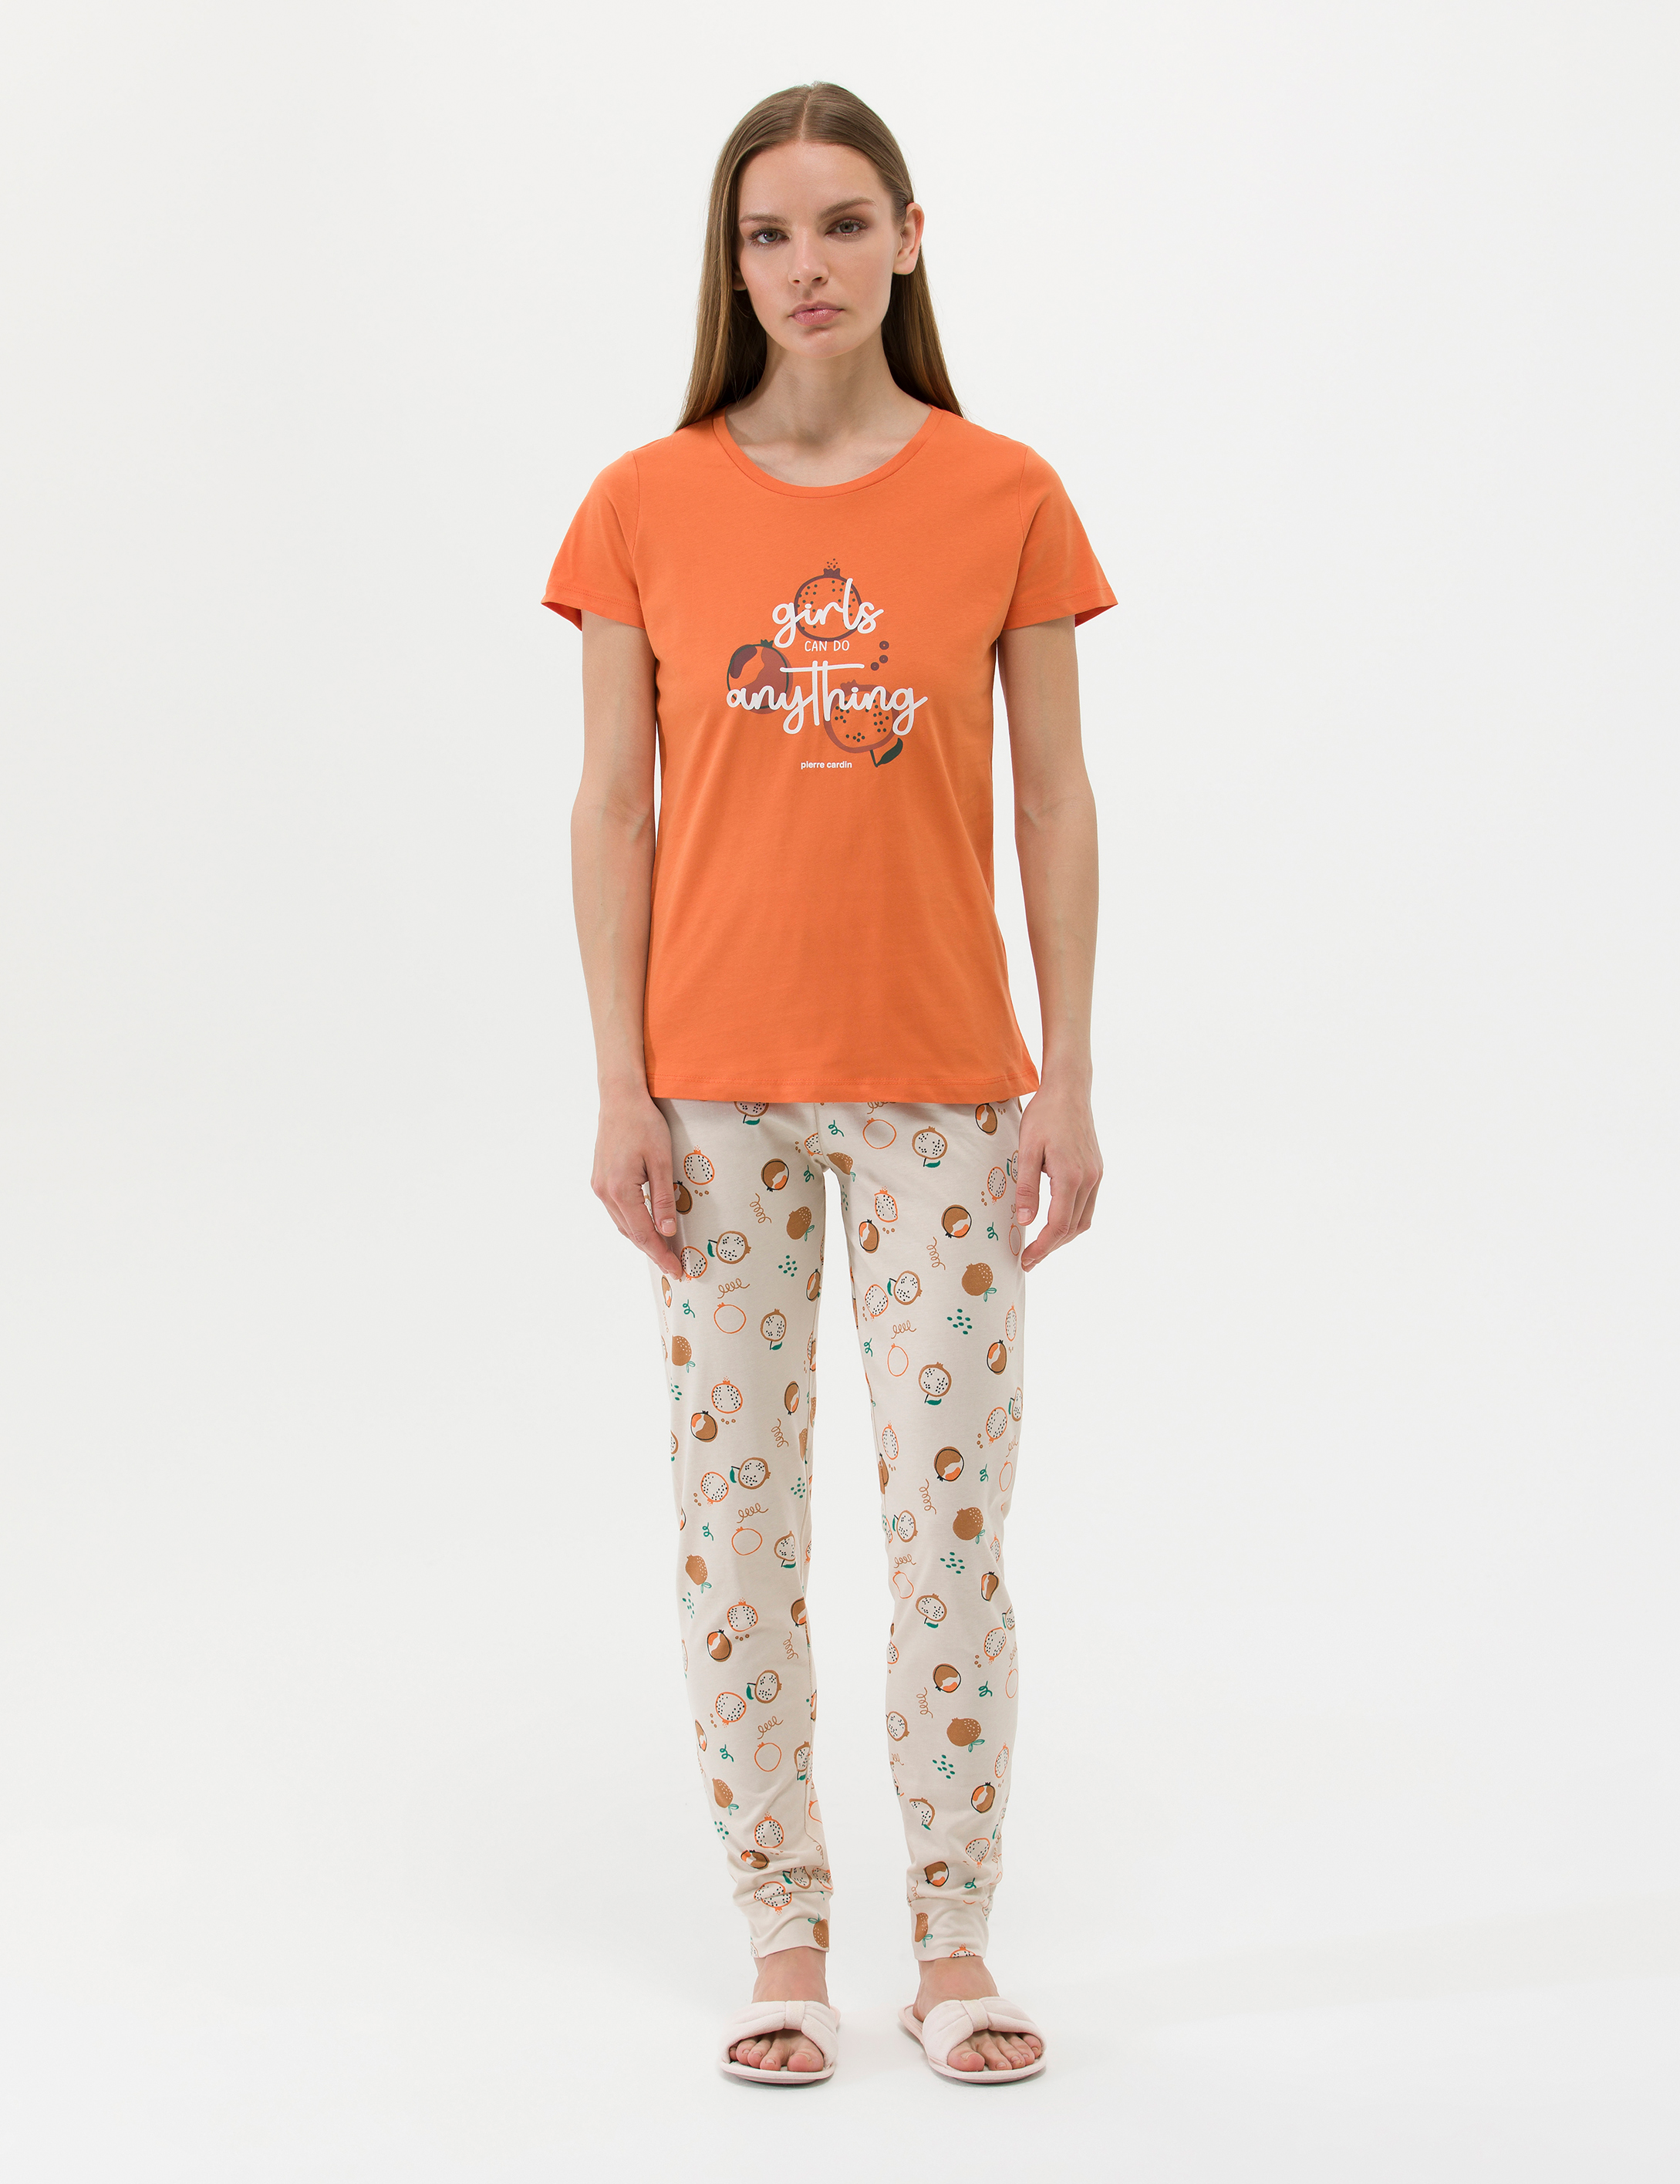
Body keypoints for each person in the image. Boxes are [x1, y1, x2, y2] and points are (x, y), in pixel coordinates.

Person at [543, 81, 1112, 2084]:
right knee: (738, 1525)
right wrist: (618, 1087)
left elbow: (1055, 804)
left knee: (951, 1529)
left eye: (843, 224)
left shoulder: (1004, 494)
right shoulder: (640, 502)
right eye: (768, 233)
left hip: (948, 1093)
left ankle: (951, 1943)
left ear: (908, 239)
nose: (806, 266)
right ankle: (781, 1935)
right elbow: (612, 811)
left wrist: (1069, 1077)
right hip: (715, 1098)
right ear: (731, 262)